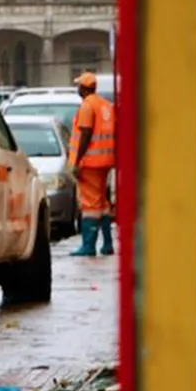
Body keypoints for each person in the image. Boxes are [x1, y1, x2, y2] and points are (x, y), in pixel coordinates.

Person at [68, 72, 117, 256]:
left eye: (79, 85)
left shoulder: (87, 106)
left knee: (89, 205)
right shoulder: (105, 105)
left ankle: (88, 246)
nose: (77, 89)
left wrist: (78, 161)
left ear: (84, 88)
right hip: (105, 161)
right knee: (102, 203)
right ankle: (107, 243)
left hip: (90, 162)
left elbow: (86, 134)